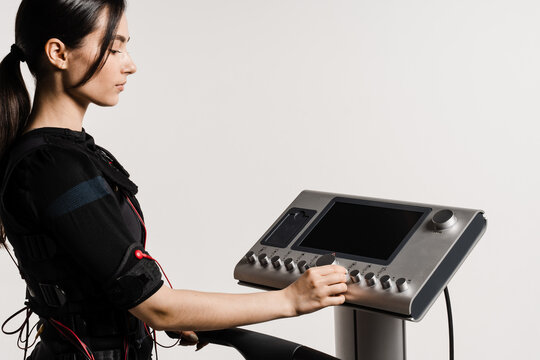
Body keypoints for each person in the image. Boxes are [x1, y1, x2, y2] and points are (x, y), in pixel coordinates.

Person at [0, 1, 349, 359]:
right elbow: (157, 307)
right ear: (58, 53)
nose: (130, 64)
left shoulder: (63, 155)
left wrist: (166, 311)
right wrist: (291, 300)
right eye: (114, 47)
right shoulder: (53, 166)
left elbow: (108, 283)